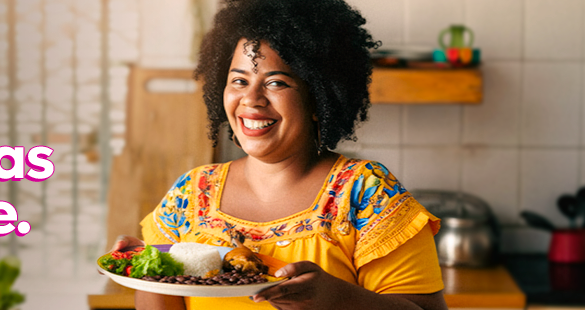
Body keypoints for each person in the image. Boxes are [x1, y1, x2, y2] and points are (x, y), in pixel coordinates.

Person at [109, 0, 446, 309]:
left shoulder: (367, 194)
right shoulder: (190, 194)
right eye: (239, 80)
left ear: (318, 98)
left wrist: (336, 299)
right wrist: (146, 266)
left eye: (276, 83)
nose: (251, 99)